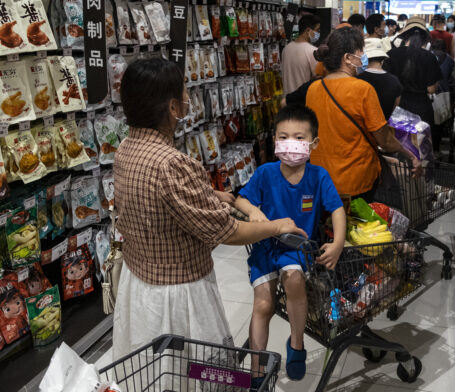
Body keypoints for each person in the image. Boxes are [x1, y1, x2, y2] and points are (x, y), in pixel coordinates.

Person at [112, 58, 306, 362]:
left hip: (139, 283)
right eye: (185, 91)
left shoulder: (126, 148)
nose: (190, 97)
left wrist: (210, 195)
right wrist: (278, 226)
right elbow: (228, 231)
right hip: (178, 294)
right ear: (173, 108)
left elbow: (156, 197)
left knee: (153, 368)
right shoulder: (173, 163)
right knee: (192, 370)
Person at [236, 105, 346, 386]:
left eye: (299, 137)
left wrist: (337, 243)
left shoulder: (318, 176)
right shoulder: (265, 173)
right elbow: (240, 198)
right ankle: (257, 369)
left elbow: (336, 209)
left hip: (297, 248)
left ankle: (296, 345)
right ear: (274, 140)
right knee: (263, 303)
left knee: (294, 280)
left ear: (314, 143)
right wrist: (251, 211)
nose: (291, 143)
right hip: (264, 246)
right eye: (284, 137)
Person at [306, 27, 422, 200]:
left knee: (331, 224)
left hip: (321, 178)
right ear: (347, 58)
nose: (363, 57)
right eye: (360, 52)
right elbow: (384, 139)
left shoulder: (313, 89)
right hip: (355, 179)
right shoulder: (362, 89)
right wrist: (410, 155)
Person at [383, 17, 443, 151]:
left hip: (396, 107)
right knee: (420, 149)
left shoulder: (391, 55)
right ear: (424, 37)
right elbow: (431, 89)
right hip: (421, 109)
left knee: (399, 148)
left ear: (404, 35)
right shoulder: (429, 57)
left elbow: (387, 83)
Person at [357, 38, 403, 119]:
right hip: (384, 127)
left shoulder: (357, 79)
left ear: (364, 58)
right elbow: (395, 109)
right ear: (383, 59)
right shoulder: (395, 81)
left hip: (361, 129)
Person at [282, 14, 321, 95]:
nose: (318, 33)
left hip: (287, 101)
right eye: (317, 30)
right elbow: (318, 78)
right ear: (308, 31)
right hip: (304, 101)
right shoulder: (313, 51)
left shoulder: (286, 49)